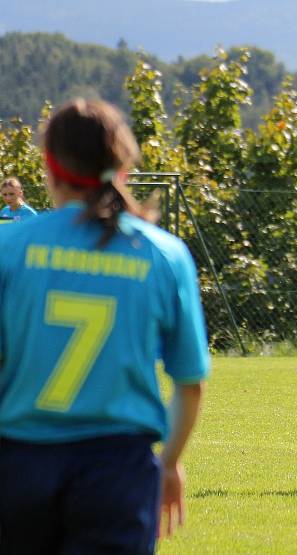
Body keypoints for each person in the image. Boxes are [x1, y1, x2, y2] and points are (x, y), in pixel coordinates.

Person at [0, 98, 210, 553]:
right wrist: (169, 464)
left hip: (19, 462)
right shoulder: (164, 254)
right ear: (122, 165)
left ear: (49, 168)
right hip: (119, 469)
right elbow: (190, 384)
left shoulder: (9, 245)